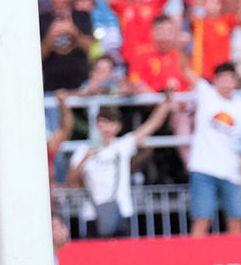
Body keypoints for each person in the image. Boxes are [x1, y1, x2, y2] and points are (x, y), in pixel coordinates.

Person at [67, 99, 172, 238]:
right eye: (103, 122)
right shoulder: (83, 150)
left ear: (118, 127)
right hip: (92, 214)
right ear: (97, 124)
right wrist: (85, 158)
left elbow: (152, 125)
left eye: (111, 123)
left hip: (121, 211)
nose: (106, 128)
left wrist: (166, 103)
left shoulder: (122, 145)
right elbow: (70, 182)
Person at [186, 62, 241, 235]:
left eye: (230, 79)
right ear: (215, 81)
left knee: (236, 220)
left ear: (236, 82)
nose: (226, 84)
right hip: (203, 168)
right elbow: (185, 69)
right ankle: (194, 259)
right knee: (202, 219)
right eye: (222, 79)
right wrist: (178, 45)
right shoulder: (206, 94)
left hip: (231, 172)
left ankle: (237, 259)